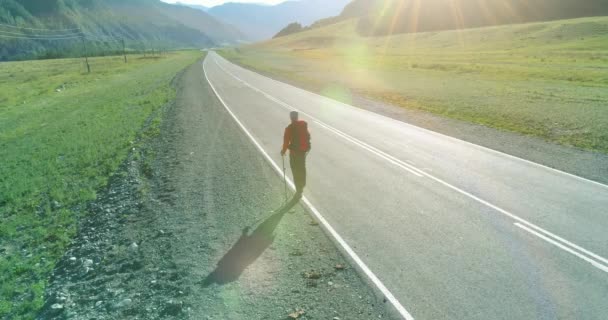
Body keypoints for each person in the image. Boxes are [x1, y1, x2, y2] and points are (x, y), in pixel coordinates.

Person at [281, 111, 311, 198]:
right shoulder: (303, 125)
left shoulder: (289, 128)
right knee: (302, 168)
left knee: (295, 170)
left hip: (294, 153)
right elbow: (308, 136)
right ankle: (302, 186)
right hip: (302, 152)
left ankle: (298, 189)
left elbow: (286, 142)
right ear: (297, 117)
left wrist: (283, 151)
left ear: (291, 117)